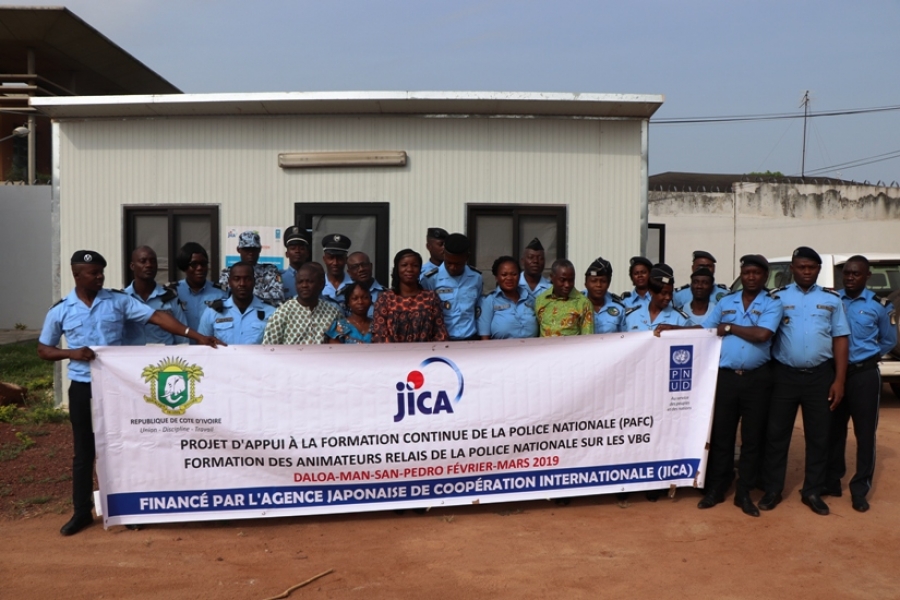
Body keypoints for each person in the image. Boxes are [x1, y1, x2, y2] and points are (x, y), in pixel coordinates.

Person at [38, 250, 223, 536]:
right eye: (94, 273)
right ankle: (81, 512)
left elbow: (158, 317)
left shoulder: (118, 301)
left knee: (122, 448)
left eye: (101, 272)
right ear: (77, 275)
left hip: (115, 387)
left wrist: (196, 336)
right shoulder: (61, 310)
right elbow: (43, 349)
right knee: (84, 451)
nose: (100, 277)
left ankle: (128, 508)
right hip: (82, 387)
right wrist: (71, 353)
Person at [759, 246, 849, 516]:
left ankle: (812, 490)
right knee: (777, 435)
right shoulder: (777, 298)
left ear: (818, 270)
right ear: (792, 269)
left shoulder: (832, 300)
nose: (806, 272)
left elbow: (840, 338)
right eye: (801, 267)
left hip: (820, 376)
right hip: (784, 376)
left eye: (811, 267)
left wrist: (839, 380)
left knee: (819, 436)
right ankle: (773, 489)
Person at [696, 255, 783, 517]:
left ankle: (744, 491)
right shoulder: (726, 302)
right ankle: (717, 487)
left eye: (756, 273)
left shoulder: (772, 303)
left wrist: (730, 327)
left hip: (757, 379)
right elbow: (705, 331)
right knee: (722, 436)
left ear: (765, 276)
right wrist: (671, 329)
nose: (751, 277)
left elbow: (762, 334)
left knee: (752, 439)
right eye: (746, 273)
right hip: (726, 378)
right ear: (741, 275)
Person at [824, 255, 897, 512]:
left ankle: (860, 489)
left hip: (864, 375)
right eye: (847, 273)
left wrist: (868, 356)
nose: (850, 277)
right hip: (835, 374)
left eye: (856, 273)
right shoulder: (833, 300)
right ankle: (832, 481)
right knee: (834, 430)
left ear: (867, 276)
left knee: (864, 434)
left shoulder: (880, 305)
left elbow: (889, 339)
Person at [373, 249, 448, 343]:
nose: (409, 269)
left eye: (415, 265)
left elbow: (440, 333)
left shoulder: (430, 297)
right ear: (397, 269)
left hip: (426, 351)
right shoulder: (385, 299)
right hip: (393, 351)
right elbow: (380, 334)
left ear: (420, 270)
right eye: (404, 265)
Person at [421, 233, 483, 341]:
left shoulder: (476, 278)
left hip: (470, 339)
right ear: (444, 254)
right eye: (449, 263)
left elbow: (478, 309)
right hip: (442, 340)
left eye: (458, 264)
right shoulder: (430, 279)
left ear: (467, 257)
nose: (453, 267)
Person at [122, 246, 188, 346]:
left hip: (164, 355)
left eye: (153, 261)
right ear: (132, 266)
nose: (149, 265)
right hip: (131, 355)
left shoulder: (169, 297)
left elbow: (182, 338)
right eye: (143, 261)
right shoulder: (122, 299)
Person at [263, 262, 342, 345]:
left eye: (310, 281)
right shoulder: (282, 313)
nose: (304, 285)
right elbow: (269, 348)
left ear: (321, 284)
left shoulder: (333, 313)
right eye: (300, 282)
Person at [198, 262, 275, 345]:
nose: (242, 284)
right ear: (229, 282)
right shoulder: (212, 312)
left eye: (247, 279)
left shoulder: (271, 313)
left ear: (254, 282)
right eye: (236, 279)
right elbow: (202, 345)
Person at [477, 256, 538, 339]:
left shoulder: (530, 298)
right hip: (501, 347)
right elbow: (485, 337)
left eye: (514, 274)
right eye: (504, 275)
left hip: (532, 346)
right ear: (496, 277)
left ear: (519, 276)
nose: (509, 278)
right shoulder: (489, 301)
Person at [218, 231, 284, 306]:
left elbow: (278, 297)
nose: (251, 253)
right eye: (247, 249)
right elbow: (223, 297)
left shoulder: (270, 270)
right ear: (238, 249)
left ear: (259, 250)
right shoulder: (227, 273)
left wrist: (241, 297)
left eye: (254, 249)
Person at [174, 242, 227, 338]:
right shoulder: (174, 292)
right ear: (184, 267)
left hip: (211, 345)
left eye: (203, 264)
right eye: (194, 264)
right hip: (181, 346)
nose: (200, 268)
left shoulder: (221, 293)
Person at [624, 264, 693, 332]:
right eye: (664, 293)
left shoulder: (680, 320)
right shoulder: (631, 316)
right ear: (651, 292)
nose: (668, 297)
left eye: (670, 293)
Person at [534, 259, 593, 336]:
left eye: (571, 280)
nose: (567, 285)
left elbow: (587, 338)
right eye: (562, 280)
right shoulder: (541, 300)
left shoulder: (583, 303)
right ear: (552, 277)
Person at [582, 257, 625, 334]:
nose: (598, 285)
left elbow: (625, 337)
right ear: (586, 284)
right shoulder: (576, 304)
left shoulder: (619, 307)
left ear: (608, 284)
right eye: (594, 281)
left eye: (603, 281)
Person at [347, 251, 385, 317]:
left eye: (364, 264)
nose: (361, 269)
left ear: (371, 266)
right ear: (349, 272)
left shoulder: (386, 294)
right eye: (355, 267)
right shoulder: (344, 295)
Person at [321, 233, 354, 307]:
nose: (335, 263)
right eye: (331, 258)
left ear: (346, 259)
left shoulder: (355, 285)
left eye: (340, 258)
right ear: (324, 259)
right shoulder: (317, 285)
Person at [281, 225, 311, 300]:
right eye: (293, 248)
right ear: (287, 254)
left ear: (307, 253)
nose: (297, 251)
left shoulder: (314, 278)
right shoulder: (279, 278)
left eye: (301, 248)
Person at [519, 237, 552, 302]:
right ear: (522, 261)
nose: (535, 261)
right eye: (531, 257)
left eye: (540, 258)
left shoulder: (551, 288)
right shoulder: (514, 284)